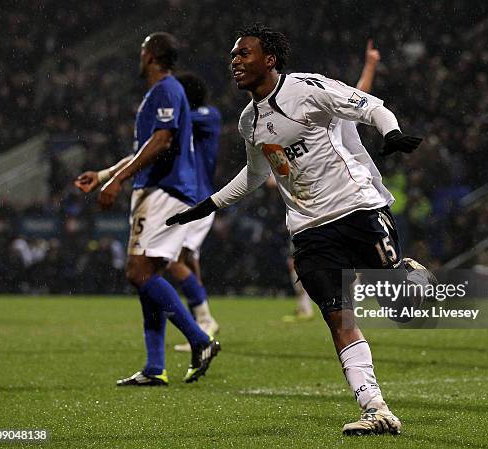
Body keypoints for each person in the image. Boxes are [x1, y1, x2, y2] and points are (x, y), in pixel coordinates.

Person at [166, 24, 434, 435]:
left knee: (401, 308)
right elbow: (255, 174)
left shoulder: (307, 89)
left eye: (244, 54)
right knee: (337, 318)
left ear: (269, 60)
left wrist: (391, 132)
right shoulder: (248, 122)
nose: (235, 62)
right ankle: (375, 409)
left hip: (357, 209)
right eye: (233, 55)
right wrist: (209, 206)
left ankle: (407, 277)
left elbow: (368, 104)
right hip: (309, 229)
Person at [74, 32, 220, 386]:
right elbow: (144, 148)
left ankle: (200, 339)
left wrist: (118, 181)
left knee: (138, 273)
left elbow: (161, 141)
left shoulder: (167, 89)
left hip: (163, 190)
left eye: (141, 51)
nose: (139, 57)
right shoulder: (159, 94)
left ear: (151, 55)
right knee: (147, 275)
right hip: (161, 189)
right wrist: (106, 174)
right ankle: (155, 367)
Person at [283, 38, 382, 323]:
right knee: (313, 260)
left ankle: (355, 297)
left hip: (339, 198)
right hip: (309, 202)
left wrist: (370, 65)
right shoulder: (297, 123)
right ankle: (321, 304)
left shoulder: (330, 114)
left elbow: (360, 96)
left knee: (343, 259)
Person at [169, 72, 221, 352]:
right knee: (188, 261)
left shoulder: (207, 114)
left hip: (197, 200)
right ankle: (204, 322)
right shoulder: (193, 117)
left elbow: (177, 120)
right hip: (191, 198)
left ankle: (203, 319)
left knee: (172, 261)